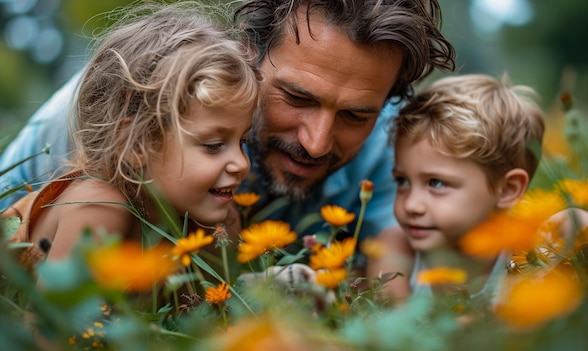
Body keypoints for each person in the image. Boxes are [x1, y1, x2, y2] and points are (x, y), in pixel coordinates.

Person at [0, 1, 456, 268]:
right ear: (245, 54)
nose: (316, 142)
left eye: (356, 115)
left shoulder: (387, 158)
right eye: (297, 98)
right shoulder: (108, 110)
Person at [0, 1, 260, 269]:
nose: (242, 163)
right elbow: (57, 312)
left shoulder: (210, 220)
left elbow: (220, 306)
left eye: (242, 142)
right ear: (135, 144)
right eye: (214, 145)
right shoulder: (98, 208)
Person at [367, 73, 545, 303]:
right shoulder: (395, 250)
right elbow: (396, 327)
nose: (411, 205)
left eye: (436, 183)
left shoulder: (526, 255)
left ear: (508, 189)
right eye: (403, 181)